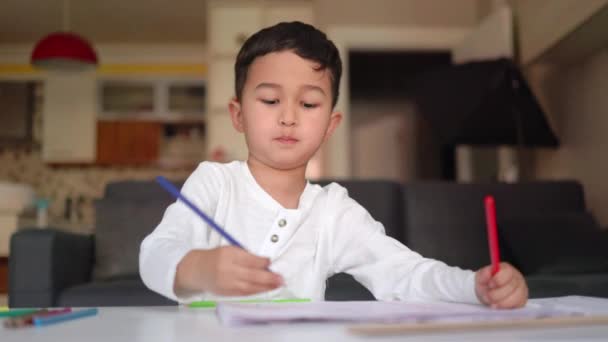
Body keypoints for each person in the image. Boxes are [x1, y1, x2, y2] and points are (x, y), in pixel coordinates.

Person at [140, 21, 528, 308]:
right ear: (238, 115)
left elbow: (404, 273)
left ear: (330, 125)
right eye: (270, 101)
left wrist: (475, 286)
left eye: (308, 104)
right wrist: (197, 269)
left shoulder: (332, 212)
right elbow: (156, 251)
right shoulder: (215, 183)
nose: (289, 117)